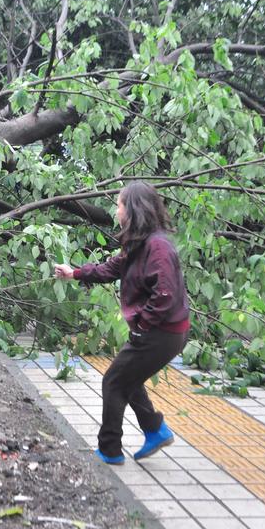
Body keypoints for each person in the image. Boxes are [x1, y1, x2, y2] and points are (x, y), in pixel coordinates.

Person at [54, 181, 190, 464]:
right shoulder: (140, 243)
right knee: (129, 378)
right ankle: (154, 429)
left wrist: (142, 327)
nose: (116, 210)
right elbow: (112, 268)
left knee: (113, 382)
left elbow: (165, 295)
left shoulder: (158, 247)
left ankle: (110, 450)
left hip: (162, 333)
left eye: (119, 204)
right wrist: (75, 273)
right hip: (159, 331)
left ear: (133, 209)